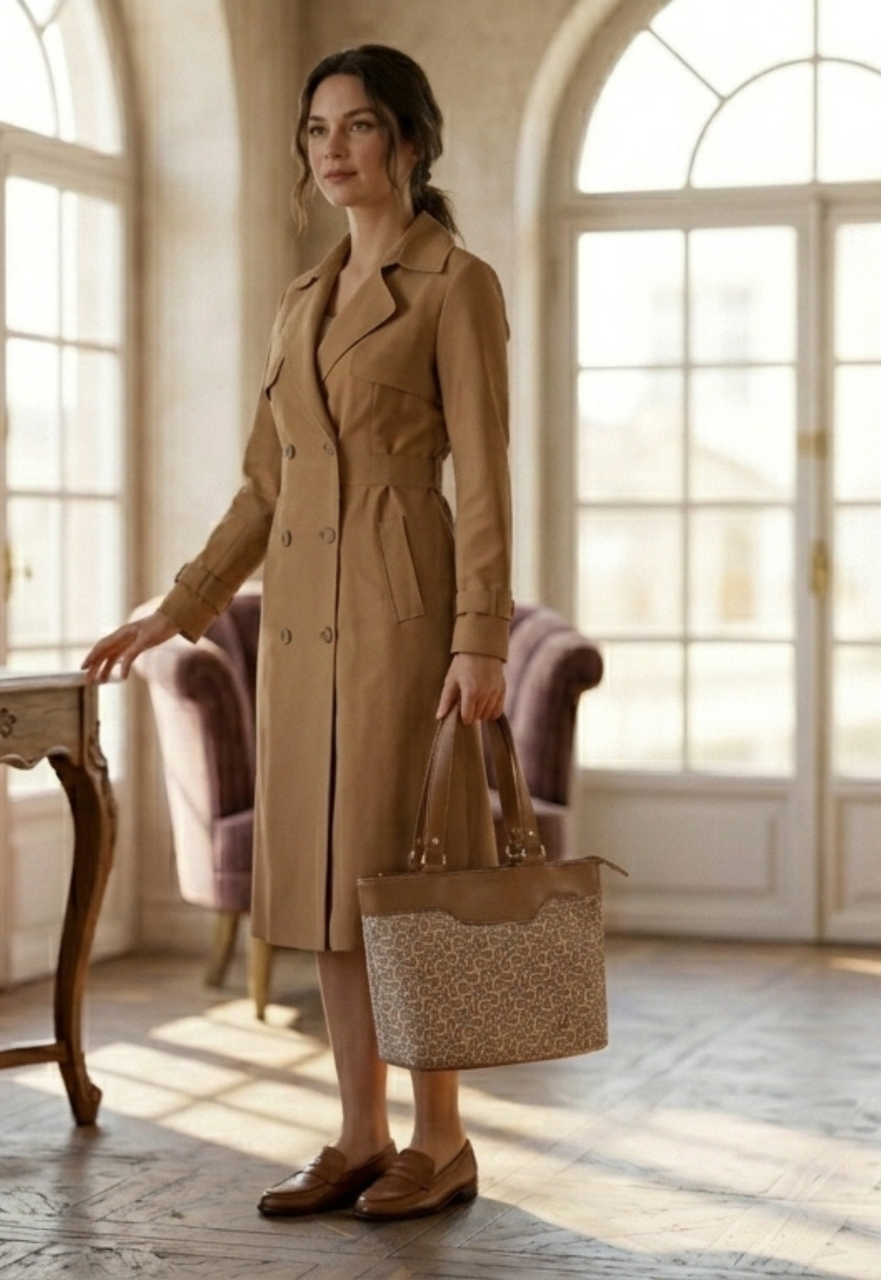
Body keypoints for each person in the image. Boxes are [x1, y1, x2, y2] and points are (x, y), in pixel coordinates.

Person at [82, 45, 513, 1222]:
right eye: (316, 128)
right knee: (325, 879)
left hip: (405, 617)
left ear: (410, 143)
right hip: (300, 634)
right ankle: (359, 1132)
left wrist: (480, 637)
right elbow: (263, 490)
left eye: (358, 126)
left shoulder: (454, 285)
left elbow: (483, 479)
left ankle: (442, 1137)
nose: (332, 148)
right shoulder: (297, 302)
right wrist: (173, 607)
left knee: (404, 876)